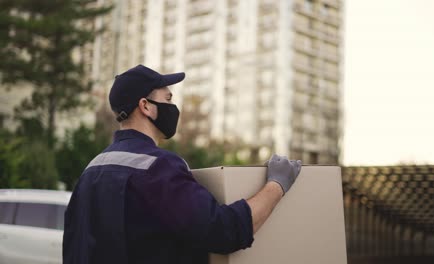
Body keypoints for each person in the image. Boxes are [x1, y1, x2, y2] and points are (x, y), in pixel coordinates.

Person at [63, 64, 302, 264]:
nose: (173, 107)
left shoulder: (91, 170)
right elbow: (223, 231)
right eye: (167, 99)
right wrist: (277, 184)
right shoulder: (157, 167)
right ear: (145, 106)